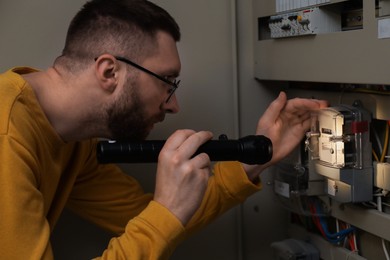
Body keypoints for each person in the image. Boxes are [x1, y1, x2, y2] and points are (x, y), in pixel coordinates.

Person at [0, 0, 328, 259]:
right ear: (109, 72)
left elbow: (157, 218)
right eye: (167, 82)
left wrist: (255, 156)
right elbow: (163, 216)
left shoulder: (72, 141)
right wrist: (167, 210)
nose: (174, 105)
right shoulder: (7, 134)